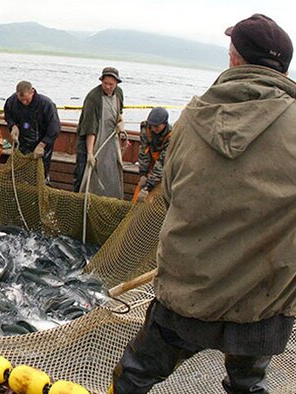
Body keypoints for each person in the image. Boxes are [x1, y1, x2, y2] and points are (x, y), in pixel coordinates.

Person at [110, 14, 295, 394]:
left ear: (234, 60)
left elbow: (172, 193)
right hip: (263, 305)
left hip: (186, 294)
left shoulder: (193, 117)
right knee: (248, 384)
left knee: (134, 376)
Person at [73, 67, 125, 199]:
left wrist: (121, 122)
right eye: (105, 83)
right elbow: (90, 128)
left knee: (110, 172)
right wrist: (90, 153)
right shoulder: (93, 98)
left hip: (109, 140)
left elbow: (119, 112)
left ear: (116, 84)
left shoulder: (119, 93)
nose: (107, 87)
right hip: (89, 142)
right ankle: (80, 201)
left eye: (111, 84)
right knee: (83, 173)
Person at [4, 81, 60, 183]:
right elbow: (8, 115)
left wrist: (42, 145)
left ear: (32, 92)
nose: (24, 103)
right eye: (21, 100)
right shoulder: (12, 101)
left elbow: (54, 128)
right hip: (22, 143)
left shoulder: (46, 104)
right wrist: (13, 126)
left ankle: (44, 183)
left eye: (26, 100)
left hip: (41, 143)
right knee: (20, 174)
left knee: (39, 175)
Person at [132, 106, 172, 203]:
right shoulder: (146, 128)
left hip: (164, 170)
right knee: (137, 197)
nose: (154, 129)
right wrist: (143, 175)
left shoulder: (171, 136)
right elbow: (143, 152)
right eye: (152, 125)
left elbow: (162, 163)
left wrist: (148, 186)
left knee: (153, 200)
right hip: (150, 165)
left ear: (164, 124)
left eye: (157, 126)